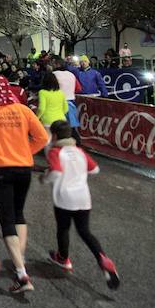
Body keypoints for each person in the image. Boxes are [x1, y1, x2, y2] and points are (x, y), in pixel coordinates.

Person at [0, 75, 49, 293]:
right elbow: (41, 137)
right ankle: (20, 259)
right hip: (24, 168)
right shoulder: (24, 111)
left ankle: (21, 274)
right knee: (18, 213)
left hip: (0, 169)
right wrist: (26, 151)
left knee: (6, 219)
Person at [42, 120, 120, 288]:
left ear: (54, 135)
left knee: (63, 228)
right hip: (83, 197)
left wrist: (44, 178)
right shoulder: (79, 151)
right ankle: (102, 258)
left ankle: (63, 258)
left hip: (64, 198)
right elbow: (95, 169)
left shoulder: (56, 151)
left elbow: (55, 172)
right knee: (85, 231)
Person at [37, 72, 67, 151]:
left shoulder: (42, 92)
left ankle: (50, 159)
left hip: (48, 121)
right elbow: (66, 108)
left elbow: (41, 109)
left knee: (48, 141)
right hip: (61, 120)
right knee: (60, 142)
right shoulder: (61, 93)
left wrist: (37, 118)